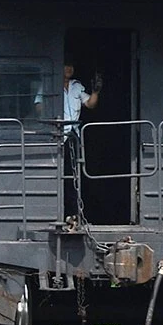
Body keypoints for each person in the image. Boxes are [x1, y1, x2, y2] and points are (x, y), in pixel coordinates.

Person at [60, 64, 99, 224]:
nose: (69, 69)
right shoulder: (50, 83)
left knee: (73, 176)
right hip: (58, 135)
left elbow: (90, 104)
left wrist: (96, 91)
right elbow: (39, 105)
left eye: (71, 66)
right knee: (59, 176)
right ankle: (63, 213)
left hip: (73, 135)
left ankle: (74, 214)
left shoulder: (77, 87)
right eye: (66, 66)